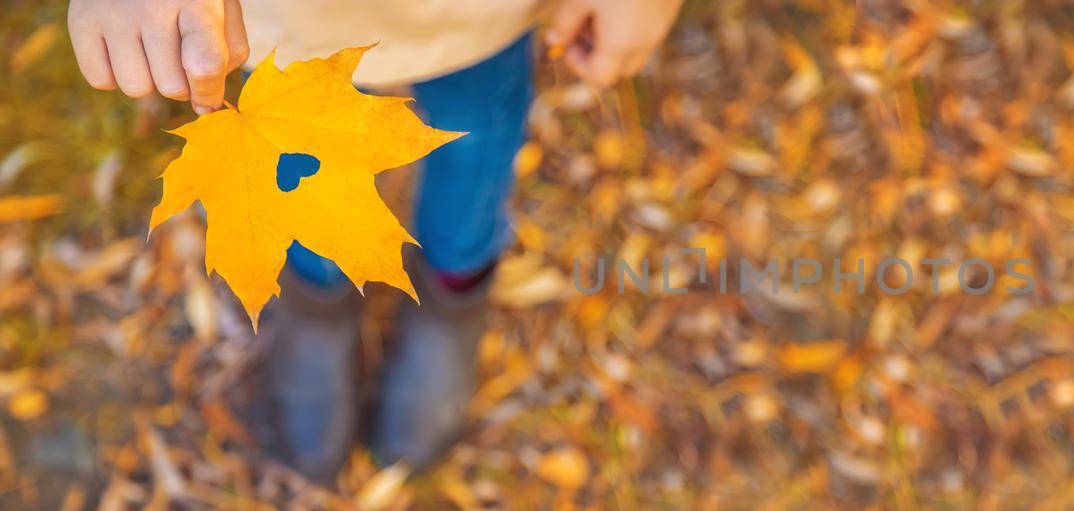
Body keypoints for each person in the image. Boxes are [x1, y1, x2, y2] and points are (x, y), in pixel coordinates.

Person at [65, 0, 685, 483]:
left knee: (475, 127)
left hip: (477, 16)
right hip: (289, 18)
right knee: (297, 152)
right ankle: (319, 299)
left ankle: (456, 291)